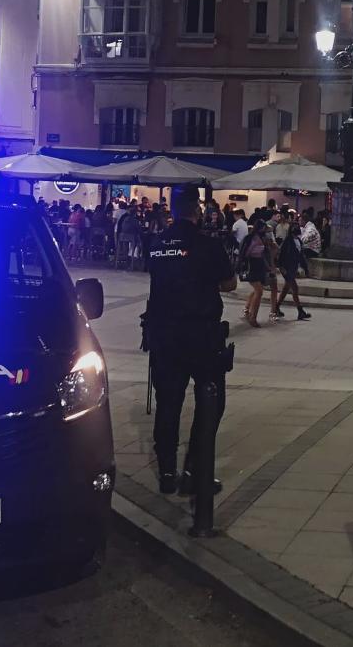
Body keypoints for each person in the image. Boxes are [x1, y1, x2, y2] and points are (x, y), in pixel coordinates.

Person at [144, 186, 237, 496]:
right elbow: (228, 282)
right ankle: (194, 468)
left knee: (168, 404)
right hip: (200, 335)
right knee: (210, 401)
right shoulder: (207, 245)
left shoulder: (156, 243)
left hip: (163, 334)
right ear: (196, 209)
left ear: (172, 208)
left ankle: (167, 472)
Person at [239, 219, 276, 327]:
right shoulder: (252, 239)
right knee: (259, 291)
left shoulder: (261, 238)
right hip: (252, 266)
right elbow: (246, 253)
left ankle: (250, 312)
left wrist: (268, 267)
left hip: (259, 266)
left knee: (258, 290)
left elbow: (263, 255)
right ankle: (252, 316)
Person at [275, 214, 312, 321]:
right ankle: (300, 311)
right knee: (295, 288)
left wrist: (305, 268)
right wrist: (281, 267)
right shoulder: (287, 242)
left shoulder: (298, 241)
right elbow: (281, 255)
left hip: (292, 267)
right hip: (286, 268)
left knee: (286, 289)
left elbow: (301, 256)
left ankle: (276, 306)